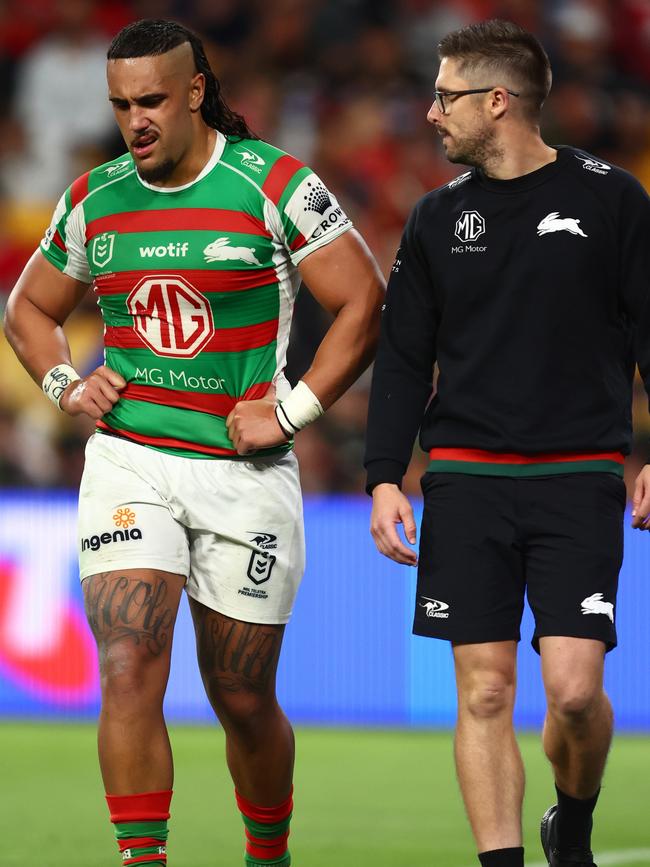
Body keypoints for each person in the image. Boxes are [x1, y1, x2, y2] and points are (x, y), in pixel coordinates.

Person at [4, 19, 384, 867]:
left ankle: (267, 852)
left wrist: (290, 413)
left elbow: (364, 300)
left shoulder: (271, 183)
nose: (134, 120)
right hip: (131, 456)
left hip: (243, 471)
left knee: (242, 694)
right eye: (120, 105)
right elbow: (27, 309)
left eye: (150, 101)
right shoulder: (94, 198)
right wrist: (66, 383)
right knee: (131, 659)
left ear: (195, 93)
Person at [364, 19, 650, 867]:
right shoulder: (434, 218)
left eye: (446, 95)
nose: (430, 113)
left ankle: (575, 816)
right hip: (467, 480)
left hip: (579, 474)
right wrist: (386, 475)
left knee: (572, 694)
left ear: (499, 101)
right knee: (484, 689)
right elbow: (405, 357)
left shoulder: (614, 199)